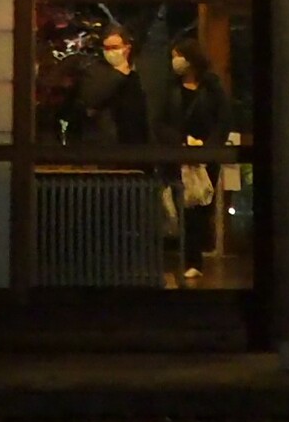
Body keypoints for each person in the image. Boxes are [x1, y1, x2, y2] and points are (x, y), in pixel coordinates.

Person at [165, 35, 233, 277]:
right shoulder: (169, 87)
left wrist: (208, 146)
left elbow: (223, 120)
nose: (175, 62)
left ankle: (195, 261)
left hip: (206, 156)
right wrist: (181, 143)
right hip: (179, 155)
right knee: (182, 208)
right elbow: (161, 122)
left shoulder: (212, 86)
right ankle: (185, 258)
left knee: (201, 207)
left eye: (178, 56)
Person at [62, 22, 149, 147]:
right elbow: (90, 99)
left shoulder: (140, 73)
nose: (110, 52)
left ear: (127, 47)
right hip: (106, 144)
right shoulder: (94, 70)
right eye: (106, 48)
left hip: (136, 142)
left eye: (114, 47)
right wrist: (119, 73)